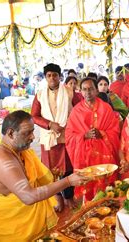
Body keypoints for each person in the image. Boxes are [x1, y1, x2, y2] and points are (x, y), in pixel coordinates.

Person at [0, 110, 90, 240]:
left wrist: (52, 175)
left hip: (23, 225)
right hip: (10, 232)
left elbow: (25, 178)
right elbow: (28, 196)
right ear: (10, 133)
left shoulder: (15, 150)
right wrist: (68, 181)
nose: (32, 137)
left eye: (32, 131)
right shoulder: (3, 161)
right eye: (27, 133)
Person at [65, 78, 120, 201]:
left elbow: (115, 131)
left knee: (107, 188)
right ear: (81, 91)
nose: (88, 92)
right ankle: (90, 210)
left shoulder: (106, 108)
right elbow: (69, 136)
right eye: (84, 89)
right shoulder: (76, 111)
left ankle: (108, 208)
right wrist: (84, 135)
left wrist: (102, 134)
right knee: (88, 187)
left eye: (91, 89)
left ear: (96, 90)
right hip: (85, 157)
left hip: (104, 155)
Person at [31, 63, 75, 211]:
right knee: (50, 171)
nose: (52, 78)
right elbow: (34, 116)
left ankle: (69, 198)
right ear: (45, 77)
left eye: (55, 75)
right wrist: (49, 124)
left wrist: (70, 125)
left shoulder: (70, 92)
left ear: (59, 76)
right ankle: (58, 200)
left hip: (67, 137)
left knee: (68, 169)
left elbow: (79, 111)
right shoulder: (40, 95)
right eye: (49, 75)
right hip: (48, 139)